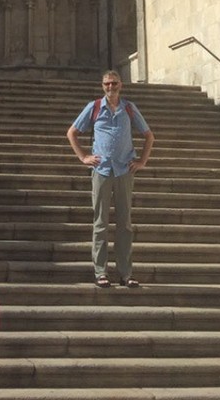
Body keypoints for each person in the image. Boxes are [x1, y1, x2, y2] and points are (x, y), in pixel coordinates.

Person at [66, 69, 155, 288]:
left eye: (114, 83)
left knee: (124, 224)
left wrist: (142, 161)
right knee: (100, 222)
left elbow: (149, 135)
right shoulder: (94, 107)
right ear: (102, 86)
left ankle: (126, 273)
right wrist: (83, 156)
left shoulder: (129, 108)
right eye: (107, 84)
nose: (110, 87)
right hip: (102, 170)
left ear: (121, 85)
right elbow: (72, 133)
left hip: (124, 170)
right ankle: (100, 272)